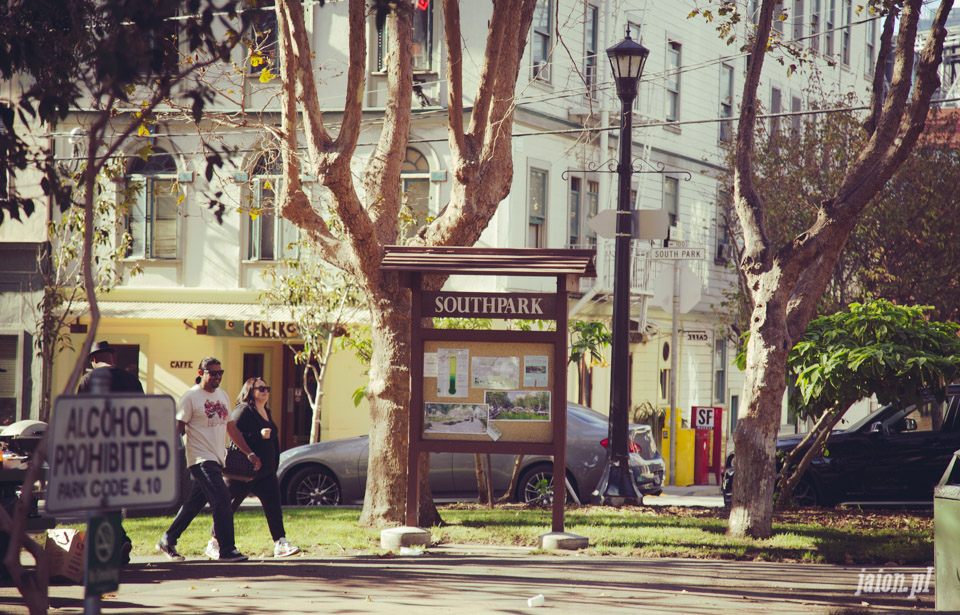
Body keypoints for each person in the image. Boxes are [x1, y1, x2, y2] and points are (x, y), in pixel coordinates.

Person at [156, 357, 261, 562]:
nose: (217, 376)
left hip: (217, 458)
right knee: (222, 500)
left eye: (220, 373)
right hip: (200, 459)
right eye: (213, 373)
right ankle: (227, 549)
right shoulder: (191, 397)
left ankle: (168, 539)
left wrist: (249, 453)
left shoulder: (222, 395)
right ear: (201, 372)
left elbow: (231, 428)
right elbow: (178, 428)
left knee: (193, 505)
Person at [205, 377, 300, 558]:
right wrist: (258, 435)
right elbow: (234, 435)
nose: (265, 391)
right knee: (228, 507)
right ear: (250, 391)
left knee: (274, 507)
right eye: (261, 388)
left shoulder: (266, 411)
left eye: (267, 388)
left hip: (266, 472)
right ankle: (214, 542)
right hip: (243, 472)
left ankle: (280, 542)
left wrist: (274, 462)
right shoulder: (243, 410)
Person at [76, 340, 142, 564]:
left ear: (93, 360)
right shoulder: (132, 380)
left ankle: (118, 542)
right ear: (112, 358)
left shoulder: (88, 380)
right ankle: (116, 546)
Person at [76, 341, 144, 394]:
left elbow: (80, 407)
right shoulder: (132, 379)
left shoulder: (88, 379)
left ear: (94, 359)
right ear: (111, 357)